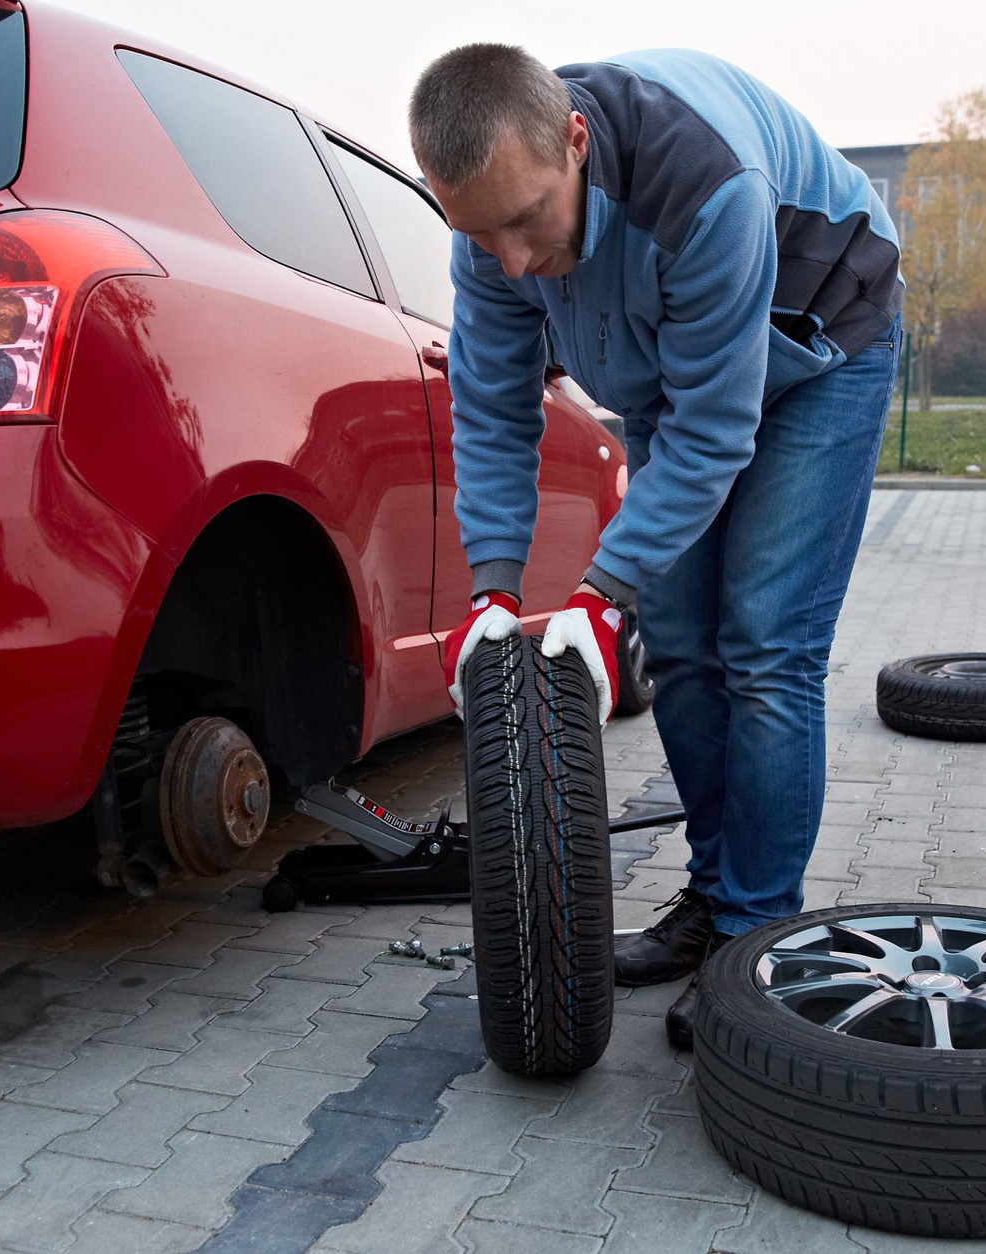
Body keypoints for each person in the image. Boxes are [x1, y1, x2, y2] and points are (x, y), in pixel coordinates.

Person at [414, 45, 902, 1048]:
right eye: (478, 232)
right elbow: (493, 419)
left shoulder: (701, 179)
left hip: (822, 351)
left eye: (524, 220)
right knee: (677, 645)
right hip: (673, 385)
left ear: (576, 143)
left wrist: (595, 594)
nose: (508, 260)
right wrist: (493, 594)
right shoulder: (488, 231)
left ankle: (753, 939)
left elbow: (717, 431)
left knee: (762, 645)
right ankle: (712, 896)